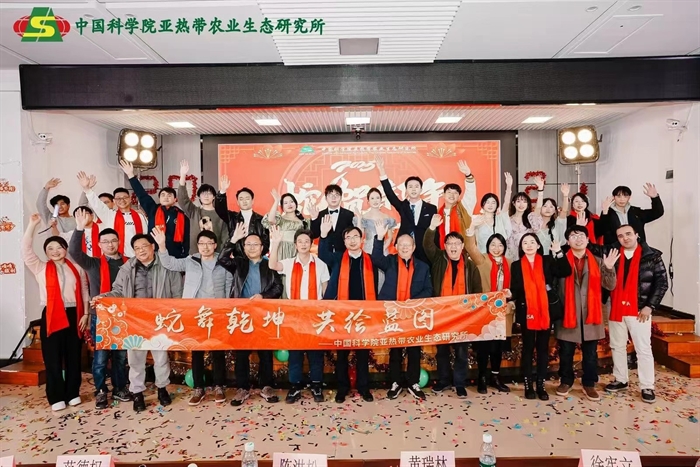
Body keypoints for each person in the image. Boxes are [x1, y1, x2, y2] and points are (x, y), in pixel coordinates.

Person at [93, 233, 183, 412]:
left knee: (161, 358)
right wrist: (102, 298)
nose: (141, 251)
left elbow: (177, 294)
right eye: (137, 248)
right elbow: (117, 291)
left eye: (144, 246)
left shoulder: (167, 266)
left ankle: (162, 389)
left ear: (153, 247)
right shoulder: (127, 268)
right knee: (135, 360)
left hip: (160, 320)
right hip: (135, 320)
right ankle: (138, 393)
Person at [153, 227, 233, 405]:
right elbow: (170, 264)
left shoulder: (223, 261)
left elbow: (229, 285)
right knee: (196, 351)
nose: (205, 247)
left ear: (215, 245)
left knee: (218, 351)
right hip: (195, 312)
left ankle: (219, 387)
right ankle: (199, 388)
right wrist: (162, 245)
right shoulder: (191, 260)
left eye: (209, 243)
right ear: (197, 245)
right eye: (201, 243)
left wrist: (226, 308)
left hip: (217, 312)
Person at [22, 213, 89, 411]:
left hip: (75, 314)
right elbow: (26, 250)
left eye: (59, 247)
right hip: (51, 314)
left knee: (73, 356)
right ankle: (56, 396)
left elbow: (84, 291)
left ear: (65, 249)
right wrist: (32, 225)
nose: (55, 251)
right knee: (52, 357)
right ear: (45, 252)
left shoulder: (76, 268)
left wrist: (86, 314)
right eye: (50, 248)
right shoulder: (40, 268)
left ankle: (73, 393)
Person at [68, 210, 130, 409]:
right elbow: (74, 252)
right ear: (99, 244)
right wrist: (79, 227)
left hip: (123, 315)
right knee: (101, 358)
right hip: (100, 316)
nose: (110, 244)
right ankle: (101, 390)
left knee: (120, 357)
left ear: (119, 242)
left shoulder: (129, 263)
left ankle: (120, 388)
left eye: (113, 241)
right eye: (105, 242)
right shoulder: (93, 263)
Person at [217, 224, 283, 406]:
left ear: (262, 248)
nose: (252, 247)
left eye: (256, 244)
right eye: (248, 244)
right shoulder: (239, 263)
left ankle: (266, 386)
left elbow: (278, 287)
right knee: (241, 353)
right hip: (242, 314)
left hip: (263, 313)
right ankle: (242, 388)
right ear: (244, 247)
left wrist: (263, 296)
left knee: (265, 352)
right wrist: (233, 240)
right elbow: (222, 259)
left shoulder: (270, 264)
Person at [605, 224, 668, 403]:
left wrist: (650, 306)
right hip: (616, 308)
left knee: (643, 349)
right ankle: (621, 379)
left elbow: (662, 283)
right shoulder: (614, 255)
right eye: (620, 236)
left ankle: (647, 386)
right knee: (617, 346)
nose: (625, 238)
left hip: (639, 309)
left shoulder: (652, 255)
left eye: (628, 234)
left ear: (636, 235)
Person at [268, 226, 330, 404]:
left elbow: (325, 291)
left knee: (315, 353)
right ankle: (295, 387)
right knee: (295, 353)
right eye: (300, 241)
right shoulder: (288, 263)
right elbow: (272, 265)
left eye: (306, 241)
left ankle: (316, 385)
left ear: (311, 244)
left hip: (314, 315)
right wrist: (276, 243)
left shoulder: (321, 265)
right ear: (295, 244)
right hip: (294, 314)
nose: (303, 244)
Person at [555, 226, 618, 401]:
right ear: (568, 241)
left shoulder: (598, 261)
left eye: (582, 235)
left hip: (591, 313)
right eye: (573, 236)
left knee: (590, 353)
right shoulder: (560, 261)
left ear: (588, 240)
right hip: (567, 313)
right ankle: (566, 380)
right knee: (566, 351)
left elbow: (610, 285)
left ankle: (589, 383)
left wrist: (609, 268)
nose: (578, 239)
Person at [319, 218, 379, 403]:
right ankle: (342, 388)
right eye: (348, 238)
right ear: (344, 242)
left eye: (355, 237)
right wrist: (323, 235)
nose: (352, 240)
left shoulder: (370, 260)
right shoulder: (338, 258)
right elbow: (323, 255)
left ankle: (364, 387)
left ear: (362, 239)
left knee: (363, 353)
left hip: (363, 312)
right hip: (342, 312)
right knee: (342, 353)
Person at [372, 220, 433, 401]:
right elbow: (376, 258)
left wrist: (410, 303)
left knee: (414, 350)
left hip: (414, 314)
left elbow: (428, 290)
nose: (405, 247)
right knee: (395, 351)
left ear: (414, 247)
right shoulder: (390, 261)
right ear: (396, 247)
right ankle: (395, 382)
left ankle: (413, 383)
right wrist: (379, 238)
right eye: (401, 245)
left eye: (408, 245)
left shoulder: (423, 267)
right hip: (393, 314)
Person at [423, 215, 482, 398]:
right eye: (450, 243)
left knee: (461, 352)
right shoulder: (438, 259)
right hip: (441, 314)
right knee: (442, 350)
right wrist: (432, 227)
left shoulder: (470, 266)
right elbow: (427, 245)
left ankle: (460, 383)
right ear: (445, 246)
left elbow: (477, 291)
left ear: (462, 246)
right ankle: (444, 380)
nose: (453, 247)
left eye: (457, 243)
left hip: (463, 316)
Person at [509, 233, 571, 401]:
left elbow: (565, 271)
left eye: (532, 242)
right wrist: (509, 295)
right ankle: (528, 385)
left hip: (545, 310)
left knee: (543, 348)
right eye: (525, 242)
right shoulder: (516, 265)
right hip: (526, 311)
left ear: (538, 245)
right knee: (528, 348)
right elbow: (515, 290)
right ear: (521, 247)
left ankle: (541, 384)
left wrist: (559, 252)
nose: (529, 245)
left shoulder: (547, 260)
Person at [464, 223, 513, 393]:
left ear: (504, 247)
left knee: (498, 347)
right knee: (484, 347)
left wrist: (511, 298)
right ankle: (482, 377)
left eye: (500, 245)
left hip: (503, 312)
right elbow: (471, 247)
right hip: (485, 311)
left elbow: (516, 287)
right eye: (493, 244)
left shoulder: (510, 263)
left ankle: (495, 377)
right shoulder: (482, 260)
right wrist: (470, 231)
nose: (496, 248)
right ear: (488, 246)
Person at [119, 161, 190, 258]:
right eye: (163, 195)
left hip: (175, 256)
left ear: (175, 200)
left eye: (169, 195)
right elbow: (141, 194)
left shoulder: (182, 216)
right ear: (159, 198)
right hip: (154, 254)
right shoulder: (153, 209)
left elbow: (186, 239)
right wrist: (130, 174)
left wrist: (185, 256)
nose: (166, 197)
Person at [374, 154, 437, 263]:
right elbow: (390, 194)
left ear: (421, 189)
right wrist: (382, 171)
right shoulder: (403, 206)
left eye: (416, 186)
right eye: (410, 187)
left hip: (425, 250)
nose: (413, 189)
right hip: (405, 249)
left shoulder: (431, 208)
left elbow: (435, 231)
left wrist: (436, 251)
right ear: (406, 190)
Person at [80, 172, 148, 258]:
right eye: (118, 198)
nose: (122, 200)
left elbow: (146, 236)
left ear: (130, 199)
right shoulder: (110, 216)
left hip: (139, 257)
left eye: (125, 197)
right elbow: (97, 204)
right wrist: (87, 189)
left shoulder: (140, 216)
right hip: (118, 259)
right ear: (114, 201)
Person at [177, 160, 228, 254]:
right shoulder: (194, 211)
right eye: (203, 194)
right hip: (195, 255)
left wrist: (223, 255)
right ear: (199, 197)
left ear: (214, 197)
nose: (206, 196)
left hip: (216, 256)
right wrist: (183, 175)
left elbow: (225, 237)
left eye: (209, 193)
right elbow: (182, 199)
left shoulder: (221, 214)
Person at [215, 175, 269, 258]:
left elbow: (266, 242)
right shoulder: (232, 217)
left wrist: (256, 255)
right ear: (237, 202)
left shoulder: (261, 220)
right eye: (241, 199)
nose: (244, 201)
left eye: (247, 198)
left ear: (252, 201)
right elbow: (220, 209)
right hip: (238, 259)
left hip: (256, 259)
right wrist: (222, 191)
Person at [599, 184, 664, 245]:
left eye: (625, 196)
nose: (622, 199)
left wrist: (655, 198)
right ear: (614, 197)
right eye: (618, 196)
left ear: (629, 197)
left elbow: (658, 212)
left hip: (637, 247)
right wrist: (605, 212)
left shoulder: (636, 212)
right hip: (615, 249)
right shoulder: (608, 212)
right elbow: (601, 231)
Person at [433, 160, 478, 248]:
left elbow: (471, 192)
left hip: (463, 251)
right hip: (443, 251)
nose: (452, 195)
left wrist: (468, 175)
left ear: (459, 196)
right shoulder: (438, 213)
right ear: (443, 195)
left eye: (455, 193)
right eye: (449, 192)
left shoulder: (464, 207)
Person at [471, 172, 513, 254]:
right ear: (483, 205)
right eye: (487, 202)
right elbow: (472, 241)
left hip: (501, 255)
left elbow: (506, 203)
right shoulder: (477, 219)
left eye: (493, 203)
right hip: (484, 256)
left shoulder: (500, 218)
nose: (490, 205)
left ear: (497, 205)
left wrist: (509, 186)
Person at [263, 190, 309, 261]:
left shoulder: (303, 221)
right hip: (282, 249)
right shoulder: (280, 219)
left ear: (296, 204)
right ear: (282, 207)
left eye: (291, 202)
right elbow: (271, 220)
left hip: (298, 250)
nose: (289, 204)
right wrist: (276, 201)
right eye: (286, 203)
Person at [506, 176, 544, 261]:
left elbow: (538, 208)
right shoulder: (508, 220)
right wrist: (508, 187)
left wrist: (540, 190)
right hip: (511, 258)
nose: (521, 204)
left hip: (528, 257)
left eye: (524, 201)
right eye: (518, 201)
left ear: (528, 204)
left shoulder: (530, 219)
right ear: (513, 203)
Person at [310, 184, 355, 255]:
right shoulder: (320, 214)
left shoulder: (349, 215)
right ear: (326, 198)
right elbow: (314, 235)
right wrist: (314, 218)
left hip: (344, 253)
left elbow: (352, 234)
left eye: (337, 195)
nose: (334, 198)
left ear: (341, 197)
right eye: (331, 195)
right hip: (324, 252)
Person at [352, 187, 397, 255]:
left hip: (383, 250)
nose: (375, 201)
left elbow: (390, 237)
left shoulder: (387, 217)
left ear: (381, 199)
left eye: (377, 198)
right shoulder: (364, 217)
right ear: (368, 201)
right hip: (368, 250)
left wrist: (383, 248)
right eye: (372, 198)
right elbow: (360, 234)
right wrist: (359, 218)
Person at [535, 184, 569, 255]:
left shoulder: (558, 223)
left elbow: (564, 211)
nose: (548, 209)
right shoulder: (534, 223)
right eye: (545, 206)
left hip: (553, 258)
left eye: (551, 207)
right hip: (536, 258)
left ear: (555, 210)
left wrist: (565, 196)